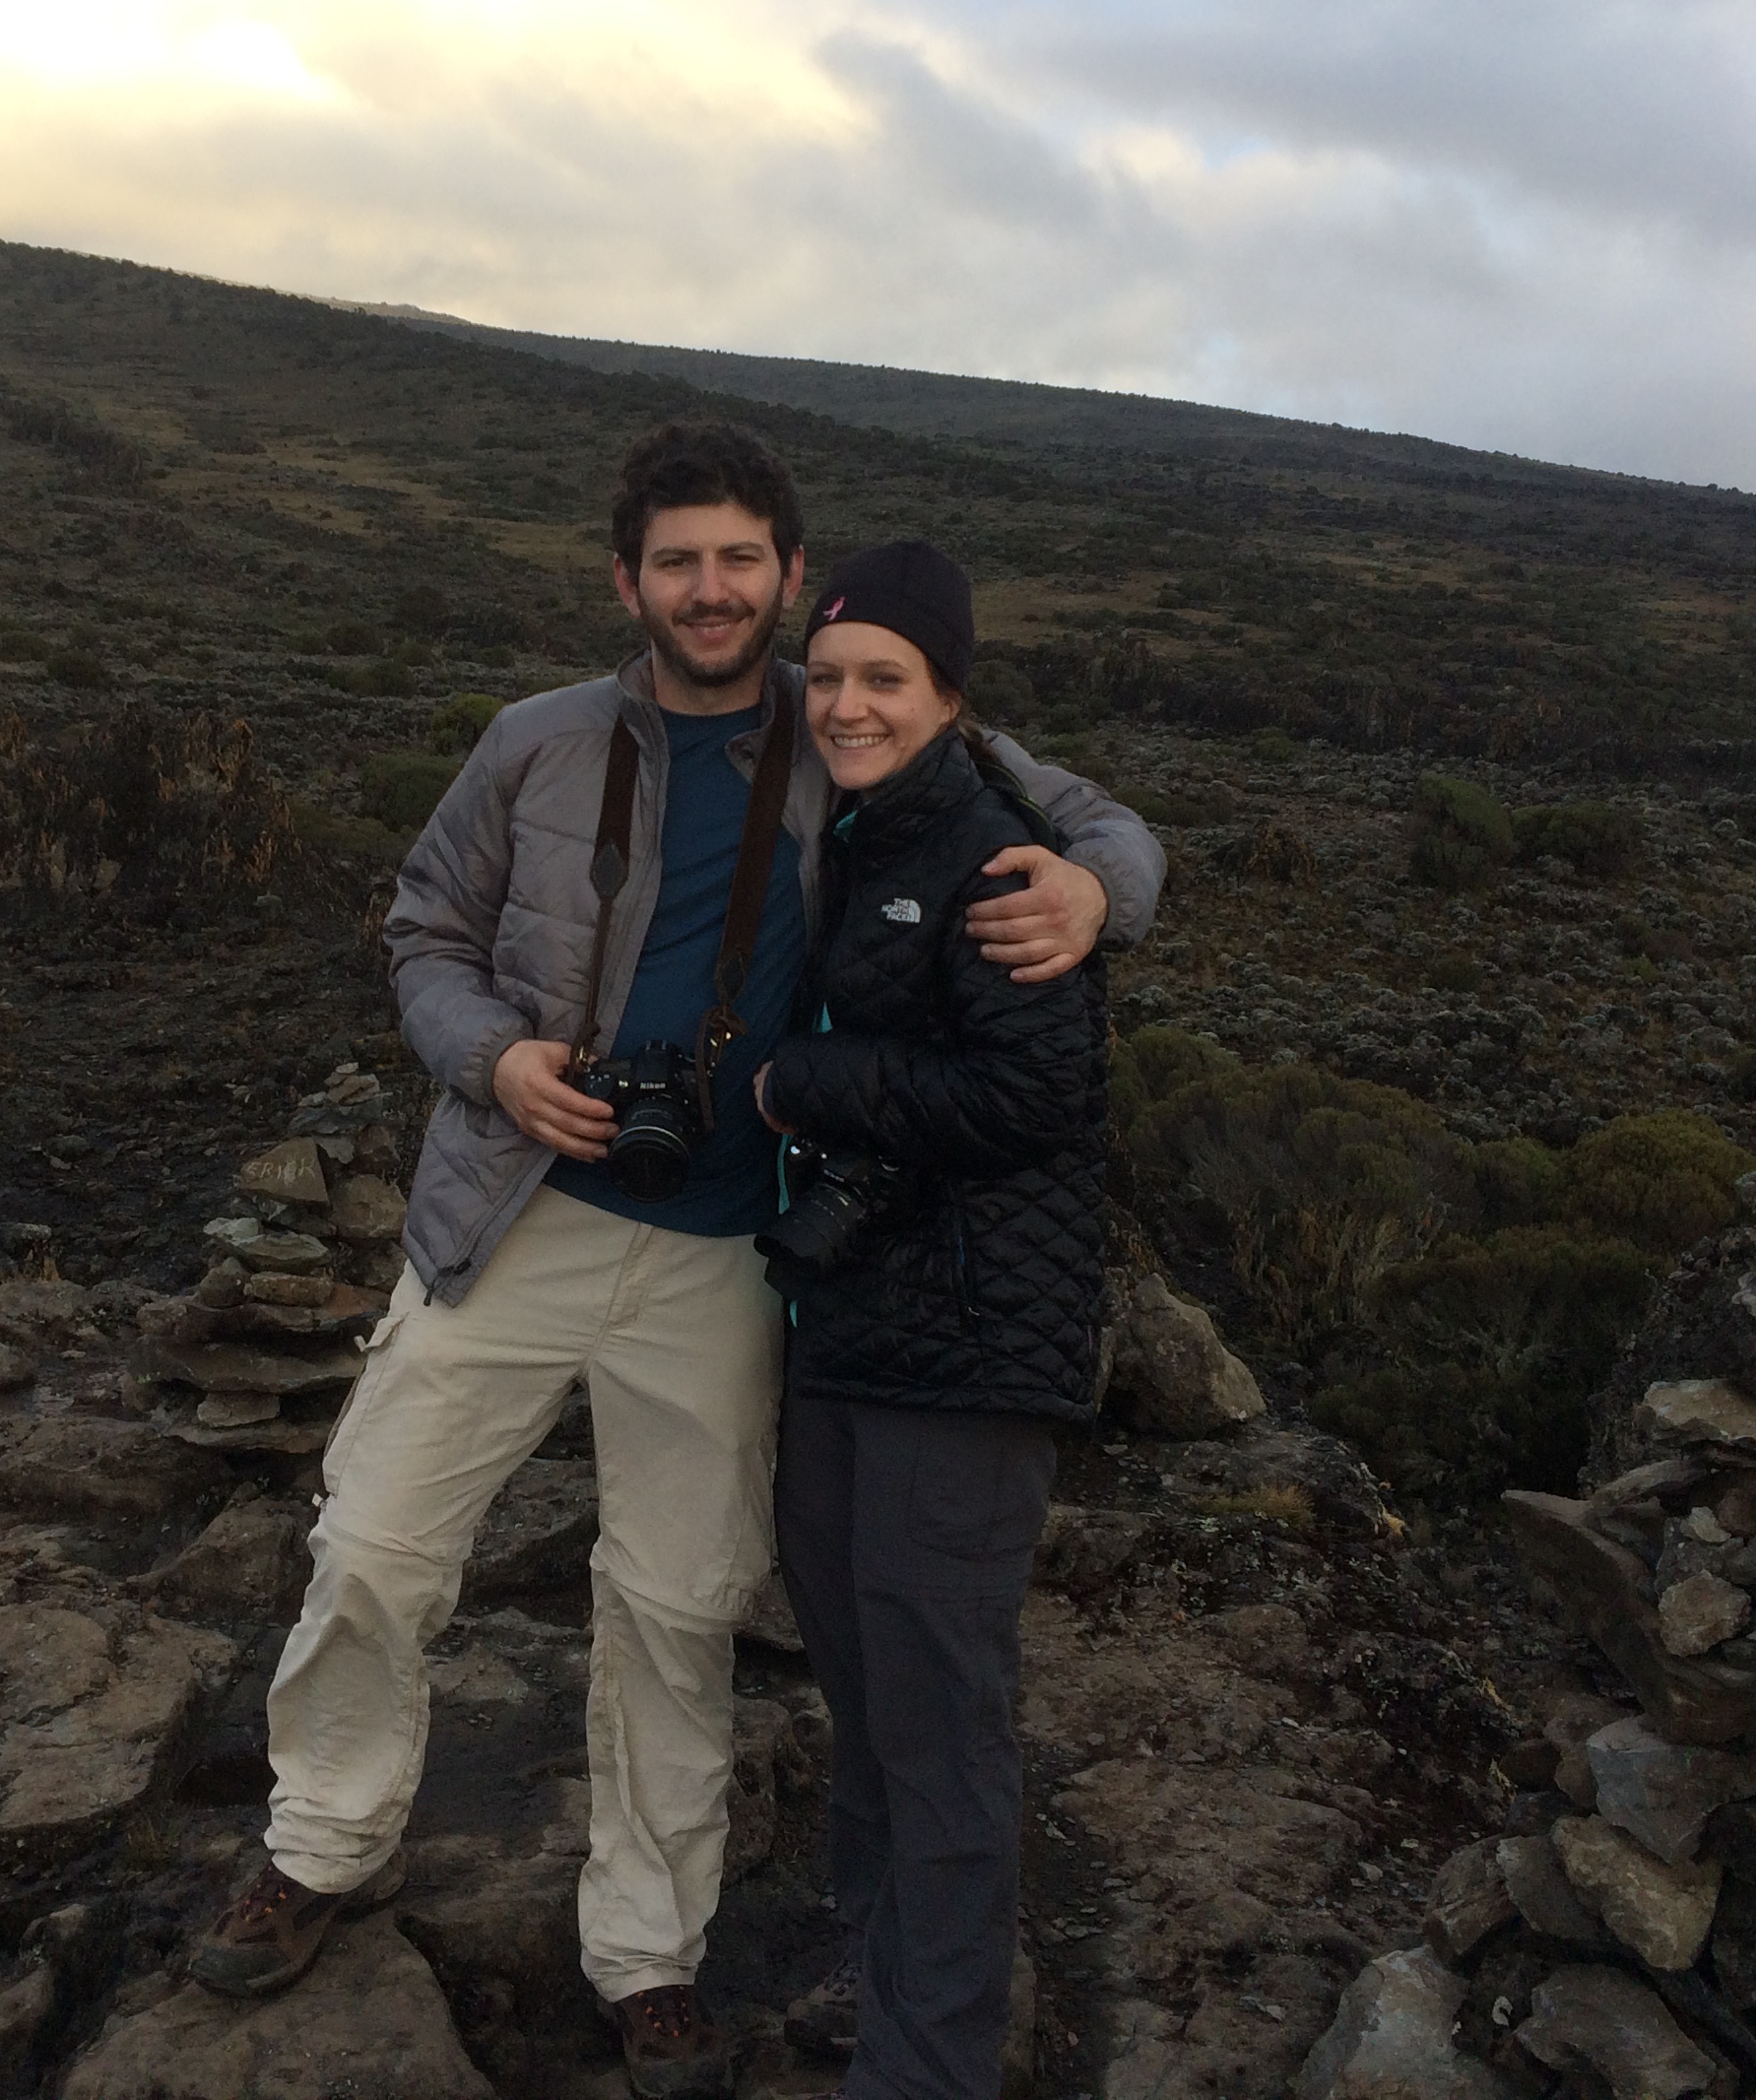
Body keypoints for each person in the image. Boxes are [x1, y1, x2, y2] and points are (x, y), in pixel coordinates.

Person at [185, 423, 1166, 2100]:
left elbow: (1099, 826)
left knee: (677, 1607)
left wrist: (1096, 895)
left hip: (725, 1251)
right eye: (676, 562)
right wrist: (495, 1060)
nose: (710, 591)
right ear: (623, 581)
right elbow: (424, 930)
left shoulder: (847, 715)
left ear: (788, 574)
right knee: (375, 1546)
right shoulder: (536, 743)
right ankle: (322, 1843)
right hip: (514, 1217)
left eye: (739, 561)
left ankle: (648, 1951)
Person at [753, 540, 1114, 2100]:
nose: (848, 704)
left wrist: (805, 1081)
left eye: (885, 679)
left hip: (966, 1351)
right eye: (830, 676)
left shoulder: (997, 860)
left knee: (940, 1713)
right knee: (861, 1676)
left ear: (952, 696)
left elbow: (1037, 1094)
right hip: (852, 1324)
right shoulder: (854, 836)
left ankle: (931, 2061)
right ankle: (878, 1960)